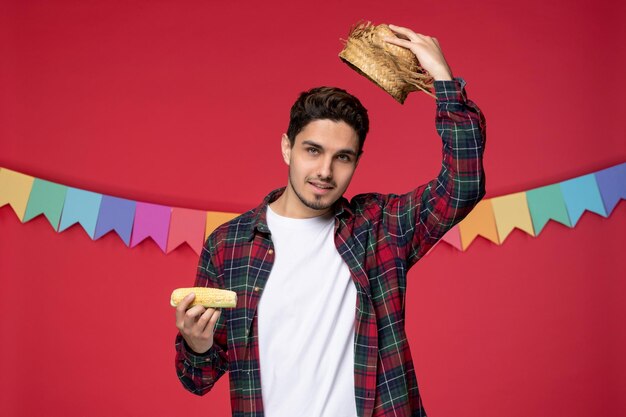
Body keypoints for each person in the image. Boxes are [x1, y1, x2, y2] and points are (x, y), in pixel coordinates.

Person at [174, 23, 486, 417]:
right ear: (287, 148)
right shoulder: (228, 245)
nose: (325, 170)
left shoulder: (379, 227)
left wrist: (444, 81)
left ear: (356, 161)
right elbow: (196, 380)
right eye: (312, 150)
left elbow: (464, 184)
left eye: (343, 157)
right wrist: (196, 345)